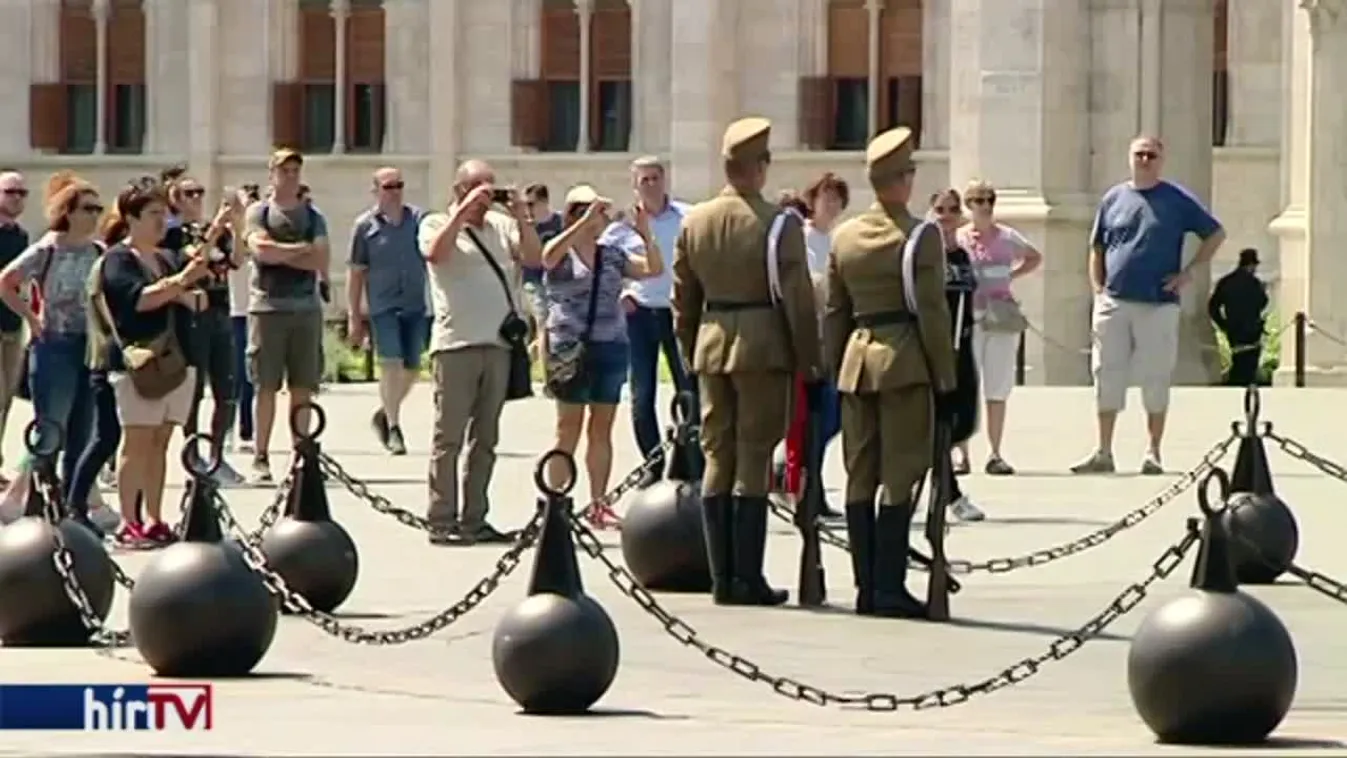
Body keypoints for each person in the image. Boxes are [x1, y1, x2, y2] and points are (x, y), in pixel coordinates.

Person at [671, 117, 821, 607]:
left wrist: (693, 348)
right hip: (763, 347)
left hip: (712, 343)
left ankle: (721, 577)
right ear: (760, 167)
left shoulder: (695, 221)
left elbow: (683, 299)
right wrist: (808, 359)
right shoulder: (780, 224)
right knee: (754, 455)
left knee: (718, 454)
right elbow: (798, 298)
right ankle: (747, 577)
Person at [823, 127, 957, 618]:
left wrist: (834, 368)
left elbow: (835, 313)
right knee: (900, 475)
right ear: (902, 180)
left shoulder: (845, 236)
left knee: (860, 475)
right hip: (904, 362)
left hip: (857, 362)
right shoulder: (919, 236)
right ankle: (888, 586)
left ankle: (865, 586)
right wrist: (946, 379)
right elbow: (932, 313)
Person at [1072, 135, 1225, 475]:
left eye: (1151, 155)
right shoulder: (1113, 198)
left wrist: (1188, 273)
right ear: (1130, 158)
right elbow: (1097, 247)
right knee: (1106, 374)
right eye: (1139, 154)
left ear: (1161, 160)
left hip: (1159, 303)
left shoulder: (1177, 200)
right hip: (1114, 300)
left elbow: (1215, 234)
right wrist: (1098, 289)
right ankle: (1103, 450)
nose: (1145, 160)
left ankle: (1153, 451)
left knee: (1155, 377)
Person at [418, 160, 543, 546]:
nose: (484, 197)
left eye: (489, 188)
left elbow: (536, 258)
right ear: (458, 189)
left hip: (498, 345)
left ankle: (475, 518)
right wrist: (462, 212)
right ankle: (441, 518)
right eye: (476, 188)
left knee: (485, 438)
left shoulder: (502, 227)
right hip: (456, 345)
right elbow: (436, 255)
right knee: (448, 437)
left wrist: (521, 215)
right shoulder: (437, 223)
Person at [89, 181, 209, 545]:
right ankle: (130, 521)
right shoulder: (117, 259)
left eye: (164, 213)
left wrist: (191, 291)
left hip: (176, 360)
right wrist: (181, 284)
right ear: (131, 218)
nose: (162, 221)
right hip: (137, 363)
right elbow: (138, 301)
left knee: (161, 441)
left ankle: (155, 518)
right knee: (137, 441)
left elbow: (194, 300)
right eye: (154, 214)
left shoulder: (167, 258)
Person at [542, 184, 665, 528]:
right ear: (570, 214)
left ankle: (599, 503)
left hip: (610, 345)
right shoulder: (563, 252)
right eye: (582, 209)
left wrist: (645, 233)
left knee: (602, 429)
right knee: (568, 428)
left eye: (597, 210)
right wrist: (581, 224)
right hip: (569, 348)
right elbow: (547, 257)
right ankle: (557, 503)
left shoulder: (611, 254)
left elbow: (653, 269)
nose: (594, 216)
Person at [0, 173, 104, 509]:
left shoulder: (99, 250)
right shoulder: (47, 248)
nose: (94, 216)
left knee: (83, 433)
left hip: (89, 349)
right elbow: (6, 281)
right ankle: (32, 502)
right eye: (88, 209)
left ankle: (73, 506)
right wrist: (31, 318)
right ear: (69, 212)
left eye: (97, 209)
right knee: (50, 431)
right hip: (54, 346)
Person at [242, 149, 330, 483]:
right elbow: (260, 250)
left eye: (295, 170)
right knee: (265, 386)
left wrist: (283, 254)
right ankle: (261, 456)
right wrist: (301, 250)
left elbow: (320, 259)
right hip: (267, 308)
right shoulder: (259, 212)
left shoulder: (313, 215)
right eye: (284, 170)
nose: (290, 176)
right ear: (272, 174)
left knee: (302, 386)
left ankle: (300, 453)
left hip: (305, 309)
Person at [612, 157, 696, 484]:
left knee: (688, 389)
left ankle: (692, 462)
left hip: (679, 312)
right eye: (643, 180)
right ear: (634, 185)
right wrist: (622, 293)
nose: (650, 185)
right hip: (641, 314)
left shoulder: (688, 217)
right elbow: (604, 265)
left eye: (655, 178)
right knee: (641, 393)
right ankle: (652, 463)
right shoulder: (621, 227)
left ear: (665, 180)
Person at [163, 173, 248, 484]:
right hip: (192, 317)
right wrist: (215, 228)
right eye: (189, 194)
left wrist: (237, 224)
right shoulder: (173, 235)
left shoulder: (212, 230)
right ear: (175, 199)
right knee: (194, 390)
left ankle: (217, 454)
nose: (196, 199)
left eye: (200, 192)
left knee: (227, 388)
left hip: (221, 313)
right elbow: (194, 258)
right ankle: (192, 452)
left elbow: (237, 260)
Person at [956, 179, 1042, 475]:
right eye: (978, 201)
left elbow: (1034, 256)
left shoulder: (1007, 236)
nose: (984, 206)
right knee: (967, 384)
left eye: (988, 201)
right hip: (971, 317)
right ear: (968, 206)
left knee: (998, 385)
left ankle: (995, 452)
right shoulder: (960, 238)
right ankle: (962, 452)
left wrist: (1010, 277)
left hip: (1001, 316)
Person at [780, 174, 849, 519]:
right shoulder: (802, 239)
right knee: (809, 421)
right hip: (806, 340)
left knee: (830, 418)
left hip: (831, 341)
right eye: (827, 197)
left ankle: (807, 483)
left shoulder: (836, 240)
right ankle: (802, 489)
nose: (832, 204)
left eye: (838, 198)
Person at [346, 167, 428, 456]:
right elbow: (356, 273)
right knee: (390, 364)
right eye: (388, 187)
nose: (394, 192)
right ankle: (394, 427)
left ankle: (385, 411)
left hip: (416, 304)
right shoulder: (364, 227)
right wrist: (354, 316)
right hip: (383, 306)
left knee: (413, 368)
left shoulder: (418, 220)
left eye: (398, 186)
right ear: (375, 190)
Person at [927, 188, 986, 523]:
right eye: (940, 209)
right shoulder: (924, 255)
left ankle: (941, 483)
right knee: (939, 424)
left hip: (962, 345)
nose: (946, 216)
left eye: (952, 209)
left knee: (962, 419)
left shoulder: (962, 256)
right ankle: (949, 494)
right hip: (936, 350)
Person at [0, 170, 30, 486]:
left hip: (12, 325)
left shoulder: (20, 237)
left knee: (6, 397)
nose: (17, 198)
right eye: (10, 192)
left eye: (22, 193)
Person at [1208, 248, 1268, 387]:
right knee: (1250, 362)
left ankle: (1236, 384)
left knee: (1238, 359)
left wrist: (1223, 324)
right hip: (1252, 328)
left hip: (1234, 328)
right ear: (1251, 265)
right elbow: (1263, 302)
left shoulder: (1226, 282)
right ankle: (1246, 386)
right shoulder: (1255, 283)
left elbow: (1213, 306)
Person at [522, 183, 562, 365]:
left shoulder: (559, 222)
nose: (528, 209)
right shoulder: (527, 227)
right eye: (526, 204)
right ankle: (546, 369)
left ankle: (533, 353)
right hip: (534, 280)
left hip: (558, 281)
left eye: (531, 204)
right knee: (543, 321)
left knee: (554, 323)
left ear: (544, 202)